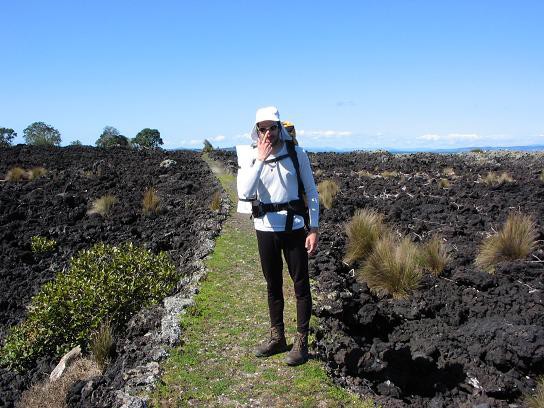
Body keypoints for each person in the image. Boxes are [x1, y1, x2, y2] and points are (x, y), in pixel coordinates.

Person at [237, 106, 319, 366]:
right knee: (273, 285)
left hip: (294, 228)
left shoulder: (296, 153)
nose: (268, 133)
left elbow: (312, 192)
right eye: (263, 129)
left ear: (279, 127)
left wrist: (313, 228)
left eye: (272, 127)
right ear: (256, 130)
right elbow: (246, 193)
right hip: (264, 229)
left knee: (300, 285)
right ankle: (277, 338)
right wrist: (260, 159)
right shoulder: (250, 156)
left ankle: (301, 342)